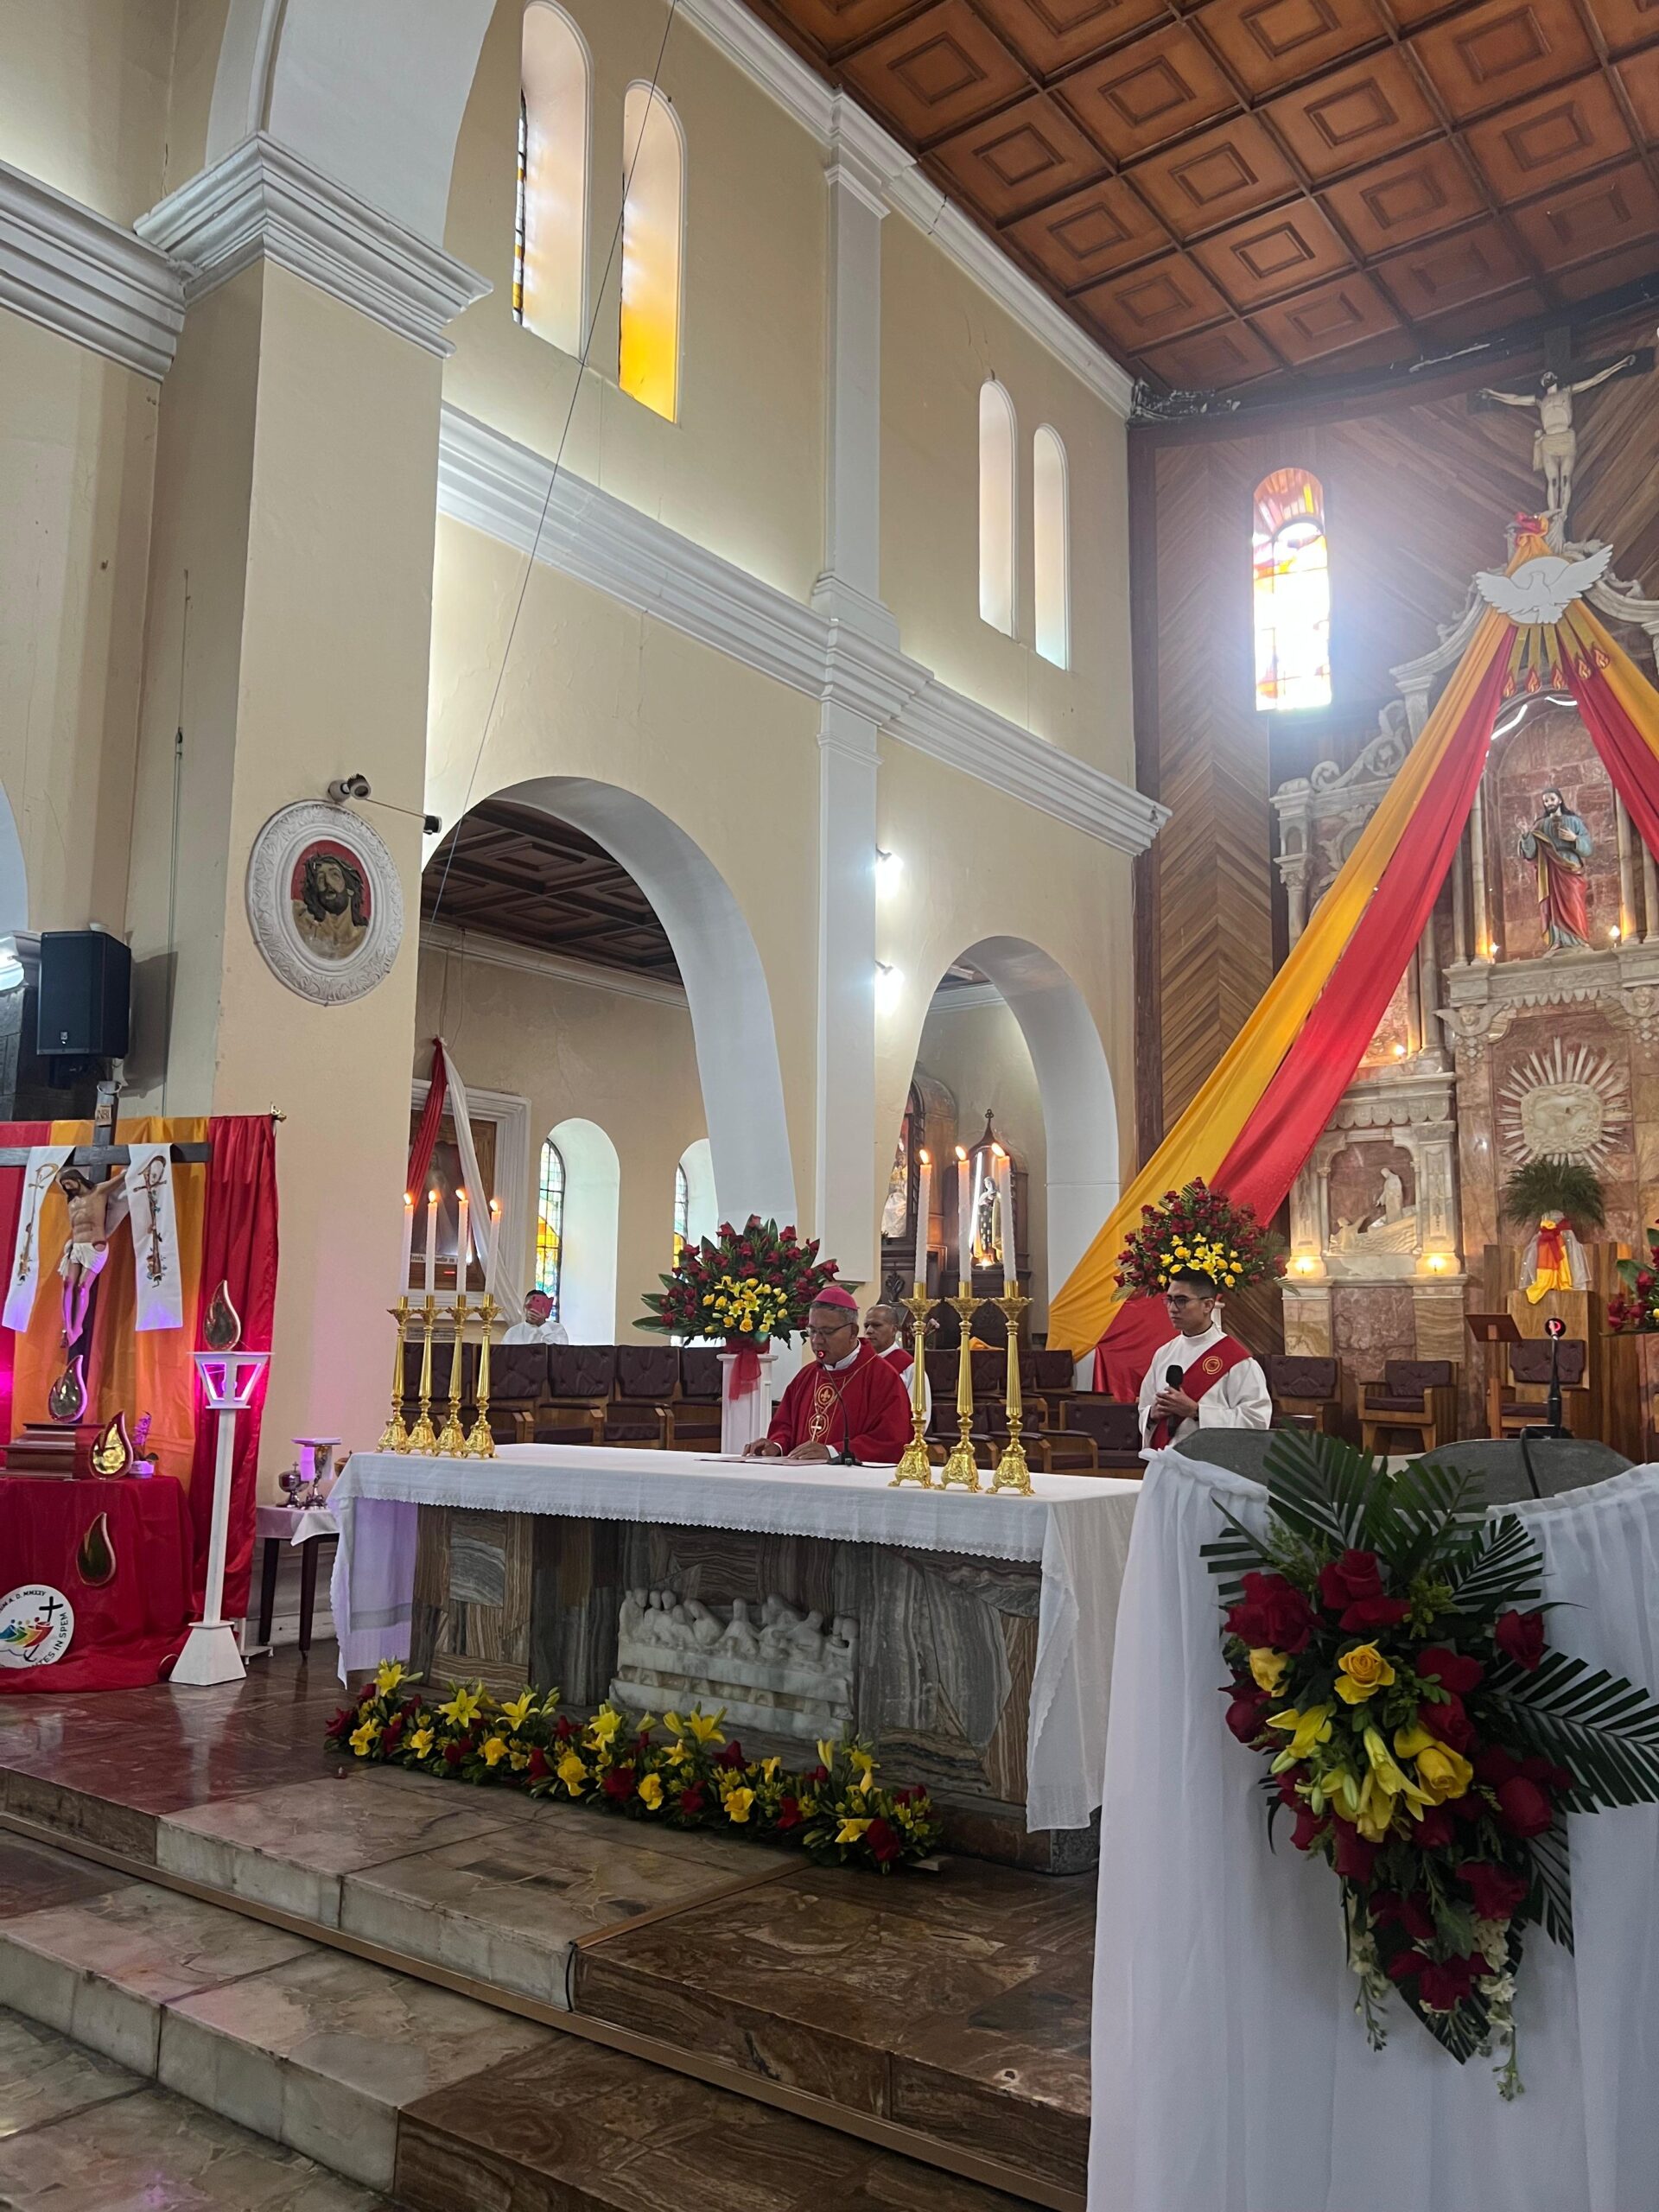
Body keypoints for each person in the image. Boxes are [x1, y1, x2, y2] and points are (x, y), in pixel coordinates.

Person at [744, 1285, 912, 1464]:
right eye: (813, 1331)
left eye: (826, 1332)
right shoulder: (807, 1376)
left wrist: (832, 1451)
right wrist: (777, 1446)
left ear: (853, 1332)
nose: (816, 1340)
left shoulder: (883, 1378)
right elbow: (785, 1426)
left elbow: (891, 1441)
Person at [1137, 1267, 1270, 1451]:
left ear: (1208, 1305)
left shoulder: (1236, 1360)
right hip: (1166, 1462)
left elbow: (1256, 1421)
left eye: (1182, 1301)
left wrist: (1196, 1412)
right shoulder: (1164, 1354)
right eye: (1169, 1300)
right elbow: (1144, 1408)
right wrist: (1152, 1414)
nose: (1173, 1309)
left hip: (1213, 1465)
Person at [1519, 787, 1593, 950]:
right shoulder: (1540, 825)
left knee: (1573, 902)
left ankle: (1578, 939)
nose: (1549, 803)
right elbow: (1531, 854)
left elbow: (1588, 848)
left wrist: (1575, 839)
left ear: (1559, 800)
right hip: (1550, 869)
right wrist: (1526, 835)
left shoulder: (1574, 821)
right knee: (1553, 904)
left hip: (1570, 867)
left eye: (1552, 799)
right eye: (1546, 801)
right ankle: (1557, 939)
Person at [863, 1300, 930, 1420]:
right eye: (866, 1326)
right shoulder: (860, 1363)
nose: (869, 1331)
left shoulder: (909, 1367)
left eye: (876, 1325)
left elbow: (921, 1416)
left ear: (894, 1330)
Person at [501, 1287, 569, 1345]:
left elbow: (560, 1353)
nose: (532, 1310)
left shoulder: (557, 1329)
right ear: (523, 1307)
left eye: (537, 1306)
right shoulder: (512, 1332)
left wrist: (542, 1324)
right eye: (529, 1306)